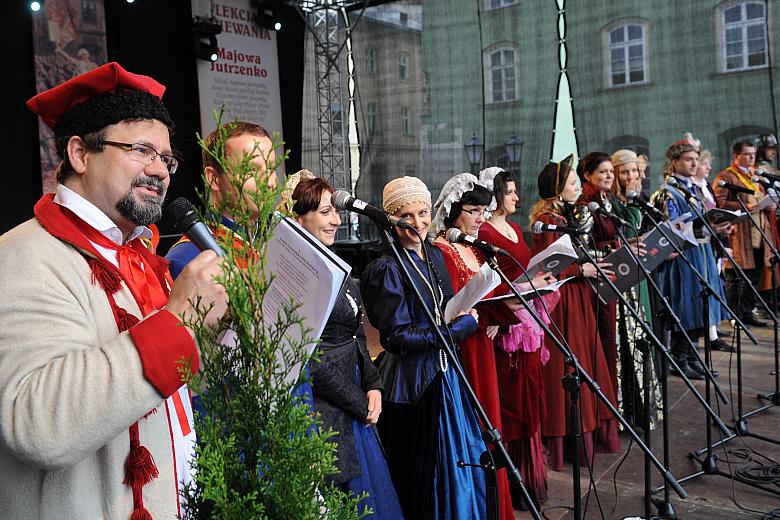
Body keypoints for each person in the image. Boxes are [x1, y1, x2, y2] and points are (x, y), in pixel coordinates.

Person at [0, 62, 227, 519]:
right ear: (81, 154)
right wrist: (180, 320)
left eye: (166, 158)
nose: (160, 171)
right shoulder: (23, 255)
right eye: (142, 149)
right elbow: (35, 422)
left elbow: (176, 390)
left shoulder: (139, 257)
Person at [360, 176, 486, 519]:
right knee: (424, 475)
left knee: (462, 462)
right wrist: (457, 329)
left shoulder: (434, 255)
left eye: (424, 212)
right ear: (391, 218)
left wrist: (457, 319)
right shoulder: (384, 268)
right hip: (415, 384)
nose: (418, 223)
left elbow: (437, 313)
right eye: (407, 216)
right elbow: (398, 338)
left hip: (447, 376)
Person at [291, 177, 403, 519]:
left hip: (353, 401)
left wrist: (373, 385)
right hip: (322, 410)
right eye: (325, 212)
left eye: (335, 212)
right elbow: (305, 357)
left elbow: (355, 335)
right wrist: (358, 401)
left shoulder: (335, 268)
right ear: (299, 219)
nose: (337, 220)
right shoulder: (296, 273)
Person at [528, 158, 621, 470]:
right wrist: (580, 268)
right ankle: (567, 438)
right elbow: (546, 265)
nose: (577, 187)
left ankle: (589, 431)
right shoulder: (546, 218)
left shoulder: (566, 214)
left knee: (586, 360)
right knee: (569, 364)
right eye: (571, 183)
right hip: (563, 299)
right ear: (557, 189)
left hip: (577, 294)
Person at [475, 167, 556, 505]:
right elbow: (484, 282)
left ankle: (531, 478)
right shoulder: (484, 232)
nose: (516, 198)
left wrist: (540, 278)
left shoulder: (510, 228)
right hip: (506, 325)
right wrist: (530, 285)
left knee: (530, 395)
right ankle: (513, 485)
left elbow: (520, 270)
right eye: (509, 192)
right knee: (513, 402)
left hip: (526, 321)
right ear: (494, 195)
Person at [650, 135, 730, 379]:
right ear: (674, 162)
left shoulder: (693, 188)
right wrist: (703, 229)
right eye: (688, 159)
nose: (694, 164)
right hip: (685, 257)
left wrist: (715, 227)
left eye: (696, 159)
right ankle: (679, 358)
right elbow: (670, 228)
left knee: (700, 305)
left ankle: (692, 356)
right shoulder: (667, 193)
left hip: (702, 252)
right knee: (686, 306)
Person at [166, 121, 278, 278]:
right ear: (214, 179)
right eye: (251, 170)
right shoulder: (188, 259)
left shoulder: (276, 243)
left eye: (271, 168)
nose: (270, 183)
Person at [609, 149, 662, 429]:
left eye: (634, 171)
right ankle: (626, 411)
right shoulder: (614, 204)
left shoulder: (635, 201)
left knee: (643, 339)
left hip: (638, 275)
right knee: (626, 344)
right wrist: (632, 204)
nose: (630, 177)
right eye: (624, 172)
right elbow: (628, 233)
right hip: (623, 277)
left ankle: (645, 408)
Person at [713, 140, 779, 327]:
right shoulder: (726, 176)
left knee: (755, 275)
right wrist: (747, 206)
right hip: (740, 234)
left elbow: (763, 199)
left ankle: (748, 312)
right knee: (739, 277)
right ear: (736, 156)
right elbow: (721, 203)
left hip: (759, 233)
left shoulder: (756, 176)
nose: (752, 157)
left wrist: (770, 205)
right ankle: (736, 315)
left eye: (753, 153)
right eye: (747, 154)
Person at [575, 152, 621, 422]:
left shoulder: (607, 201)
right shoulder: (585, 204)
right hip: (597, 279)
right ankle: (604, 412)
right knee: (603, 340)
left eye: (611, 172)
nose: (609, 177)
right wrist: (611, 247)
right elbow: (583, 247)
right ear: (587, 176)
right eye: (603, 172)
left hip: (615, 274)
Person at [694, 149, 734, 351]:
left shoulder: (705, 186)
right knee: (708, 288)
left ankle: (713, 328)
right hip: (702, 243)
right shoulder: (694, 189)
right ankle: (710, 334)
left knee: (716, 285)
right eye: (705, 164)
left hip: (713, 241)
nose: (709, 167)